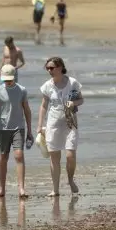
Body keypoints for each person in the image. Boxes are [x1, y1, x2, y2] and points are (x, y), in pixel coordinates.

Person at [37, 57, 84, 197]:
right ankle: (55, 189)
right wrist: (39, 125)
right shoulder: (47, 86)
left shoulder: (72, 83)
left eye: (52, 68)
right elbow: (43, 106)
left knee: (70, 155)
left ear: (60, 67)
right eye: (47, 68)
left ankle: (70, 179)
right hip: (53, 124)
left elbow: (81, 99)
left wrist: (73, 103)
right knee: (54, 158)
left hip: (70, 123)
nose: (49, 71)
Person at [0, 64, 33, 198]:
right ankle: (1, 188)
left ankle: (21, 189)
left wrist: (30, 130)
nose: (7, 82)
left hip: (19, 128)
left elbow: (27, 110)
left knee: (19, 155)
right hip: (3, 129)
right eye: (5, 79)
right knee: (3, 158)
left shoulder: (22, 90)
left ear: (15, 77)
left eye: (9, 79)